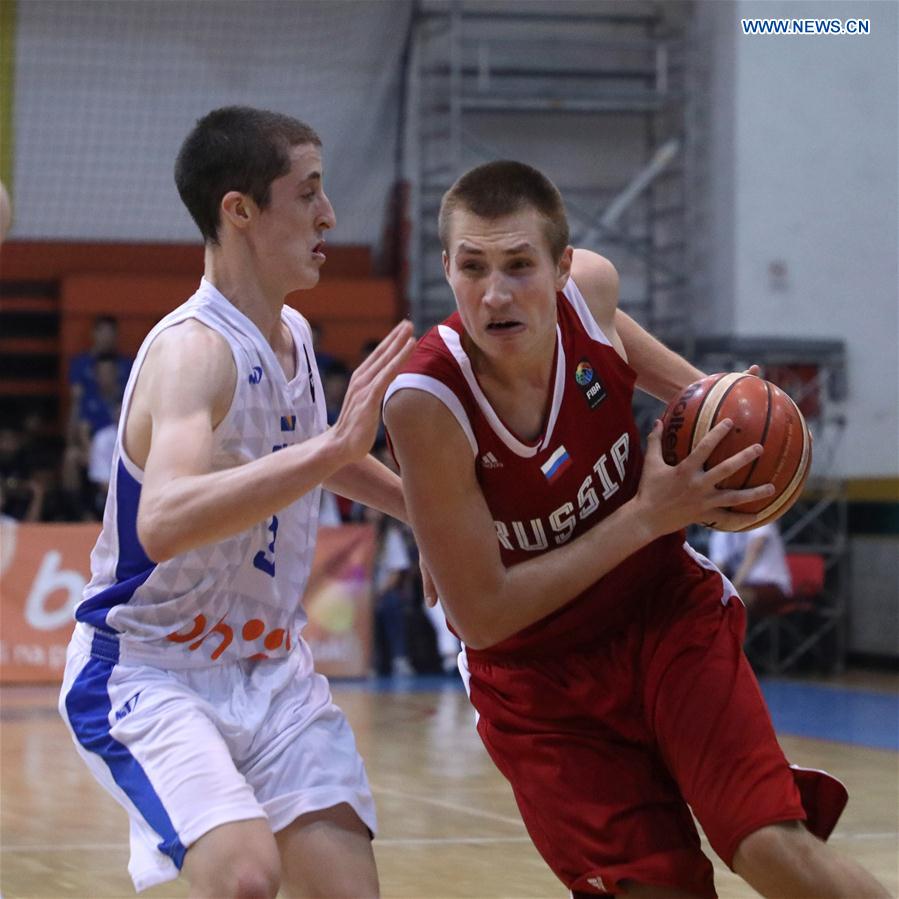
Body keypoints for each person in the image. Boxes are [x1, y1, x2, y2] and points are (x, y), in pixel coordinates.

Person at [383, 160, 889, 899]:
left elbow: (636, 356)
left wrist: (725, 422)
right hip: (537, 682)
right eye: (473, 266)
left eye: (520, 265)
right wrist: (647, 514)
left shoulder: (590, 294)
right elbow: (483, 616)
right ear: (446, 268)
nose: (494, 293)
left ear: (561, 267)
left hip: (660, 612)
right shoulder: (424, 402)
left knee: (771, 846)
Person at [58, 106, 414, 899]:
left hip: (267, 666)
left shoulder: (288, 333)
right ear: (239, 209)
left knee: (348, 890)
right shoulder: (195, 352)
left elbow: (318, 456)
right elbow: (166, 517)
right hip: (147, 669)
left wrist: (432, 518)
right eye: (308, 193)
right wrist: (330, 449)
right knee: (247, 877)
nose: (329, 215)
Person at [708, 521, 792, 618]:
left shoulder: (760, 517)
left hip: (771, 585)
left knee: (729, 599)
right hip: (743, 586)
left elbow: (755, 550)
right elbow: (717, 567)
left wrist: (730, 589)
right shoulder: (721, 529)